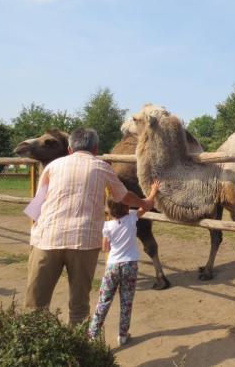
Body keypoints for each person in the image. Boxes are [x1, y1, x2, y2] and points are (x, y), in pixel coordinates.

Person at [24, 128, 154, 325]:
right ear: (95, 149)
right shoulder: (102, 167)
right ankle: (79, 352)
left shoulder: (53, 166)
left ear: (69, 148)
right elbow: (123, 196)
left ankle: (31, 351)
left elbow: (38, 203)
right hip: (83, 242)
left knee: (35, 306)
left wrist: (34, 235)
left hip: (46, 240)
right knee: (79, 308)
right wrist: (145, 203)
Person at [88, 180, 160, 345]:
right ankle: (122, 335)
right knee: (126, 302)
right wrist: (153, 191)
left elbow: (105, 248)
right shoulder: (133, 217)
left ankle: (92, 334)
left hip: (113, 266)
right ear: (128, 207)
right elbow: (148, 205)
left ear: (110, 210)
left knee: (104, 301)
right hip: (130, 265)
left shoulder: (107, 226)